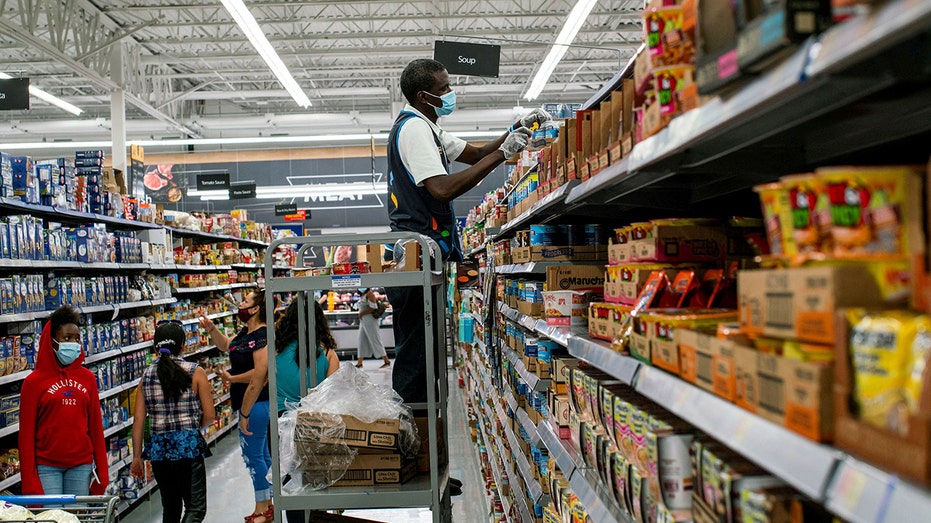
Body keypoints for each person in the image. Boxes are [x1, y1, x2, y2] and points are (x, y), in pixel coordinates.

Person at [386, 58, 547, 405]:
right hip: (413, 257)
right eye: (443, 89)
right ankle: (414, 437)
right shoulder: (414, 130)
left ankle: (424, 434)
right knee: (416, 357)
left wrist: (515, 129)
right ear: (422, 95)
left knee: (425, 352)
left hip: (423, 256)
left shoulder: (428, 127)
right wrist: (502, 156)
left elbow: (476, 153)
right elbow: (441, 189)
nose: (450, 93)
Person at [250, 298, 339, 523]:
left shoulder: (274, 349)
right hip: (315, 424)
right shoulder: (327, 352)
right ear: (320, 320)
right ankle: (317, 518)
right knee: (316, 479)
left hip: (281, 423)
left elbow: (256, 381)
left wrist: (244, 414)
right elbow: (335, 393)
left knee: (289, 482)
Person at [19, 305, 109, 496]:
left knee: (77, 517)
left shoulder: (87, 378)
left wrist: (103, 471)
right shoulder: (33, 382)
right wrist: (29, 482)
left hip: (81, 465)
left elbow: (95, 427)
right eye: (66, 338)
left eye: (77, 339)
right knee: (52, 516)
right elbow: (26, 436)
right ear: (50, 341)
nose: (73, 344)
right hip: (46, 466)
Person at [130, 321, 215, 523]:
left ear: (155, 348)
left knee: (171, 506)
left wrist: (136, 457)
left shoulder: (146, 376)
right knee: (195, 508)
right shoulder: (195, 371)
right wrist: (192, 429)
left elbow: (139, 420)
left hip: (159, 448)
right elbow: (210, 415)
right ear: (183, 345)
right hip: (188, 446)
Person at [200, 289, 273, 523]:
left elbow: (261, 373)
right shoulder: (245, 333)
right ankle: (268, 502)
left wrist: (233, 380)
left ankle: (262, 509)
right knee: (262, 454)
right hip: (247, 401)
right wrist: (212, 329)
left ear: (255, 309)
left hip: (257, 403)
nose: (241, 304)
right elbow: (225, 345)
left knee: (253, 457)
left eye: (245, 301)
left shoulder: (262, 335)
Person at [355, 288, 390, 369]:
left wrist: (362, 313)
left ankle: (386, 361)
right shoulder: (363, 295)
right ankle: (359, 363)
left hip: (371, 320)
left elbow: (373, 307)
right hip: (364, 321)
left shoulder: (370, 294)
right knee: (361, 340)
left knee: (375, 339)